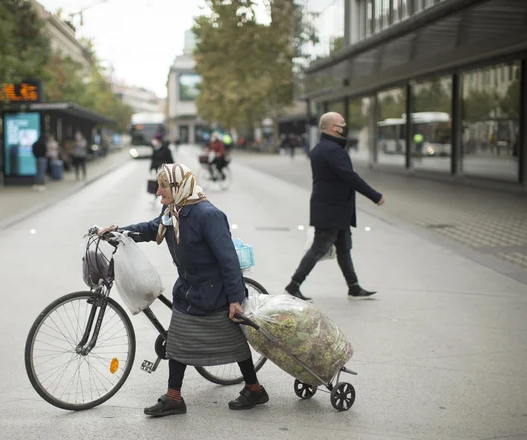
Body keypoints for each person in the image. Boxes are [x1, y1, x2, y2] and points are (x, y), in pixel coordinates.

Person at [98, 163, 268, 417]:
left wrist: (235, 299)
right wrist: (120, 232)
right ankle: (174, 397)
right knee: (176, 341)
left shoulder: (207, 215)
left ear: (179, 186)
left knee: (234, 344)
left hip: (214, 292)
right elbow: (151, 228)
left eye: (164, 186)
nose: (158, 192)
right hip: (189, 289)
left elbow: (228, 259)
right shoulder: (173, 211)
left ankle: (254, 388)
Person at [284, 112, 386, 301]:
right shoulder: (332, 151)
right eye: (341, 123)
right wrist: (375, 195)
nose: (345, 125)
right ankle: (294, 284)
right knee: (319, 247)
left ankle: (353, 287)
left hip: (335, 209)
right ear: (333, 128)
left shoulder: (323, 148)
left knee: (344, 247)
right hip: (331, 209)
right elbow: (350, 177)